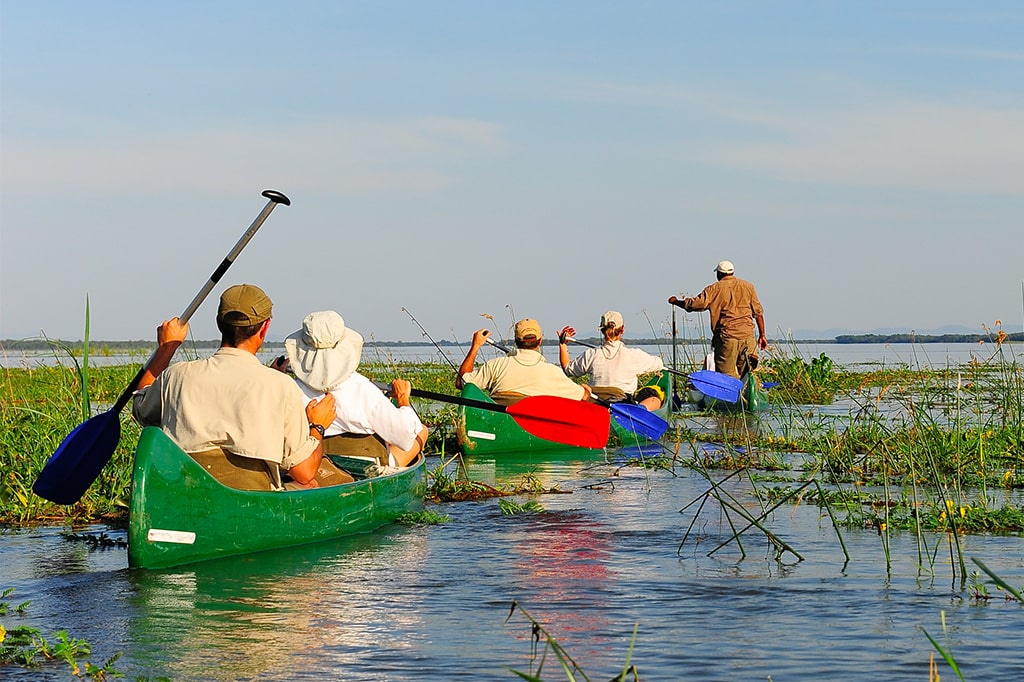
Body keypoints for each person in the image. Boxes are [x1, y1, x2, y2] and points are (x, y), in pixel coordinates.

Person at [132, 284, 344, 491]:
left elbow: (141, 409)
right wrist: (317, 427)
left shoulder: (176, 375)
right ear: (265, 327)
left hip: (187, 491)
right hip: (253, 497)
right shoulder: (281, 385)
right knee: (311, 484)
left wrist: (167, 348)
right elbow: (304, 471)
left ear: (219, 323)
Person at [274, 310, 428, 469]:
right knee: (421, 430)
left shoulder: (290, 389)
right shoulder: (363, 389)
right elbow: (405, 436)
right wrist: (403, 400)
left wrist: (276, 376)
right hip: (366, 468)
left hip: (312, 464)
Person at [668, 260, 768, 379]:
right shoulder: (748, 287)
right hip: (747, 337)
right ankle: (748, 395)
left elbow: (694, 305)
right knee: (749, 374)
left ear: (719, 274)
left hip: (726, 338)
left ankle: (730, 396)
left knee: (726, 377)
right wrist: (762, 335)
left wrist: (676, 302)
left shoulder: (713, 289)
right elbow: (758, 313)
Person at [455, 318, 591, 403]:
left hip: (499, 422)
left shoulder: (495, 365)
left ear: (515, 341)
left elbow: (462, 382)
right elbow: (582, 396)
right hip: (532, 430)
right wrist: (586, 389)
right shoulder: (553, 372)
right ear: (540, 341)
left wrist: (476, 346)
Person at [557, 311, 666, 410]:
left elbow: (568, 369)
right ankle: (640, 411)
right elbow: (659, 364)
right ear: (622, 329)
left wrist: (562, 344)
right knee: (654, 398)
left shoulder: (591, 354)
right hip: (623, 405)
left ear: (602, 330)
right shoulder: (634, 355)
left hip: (595, 403)